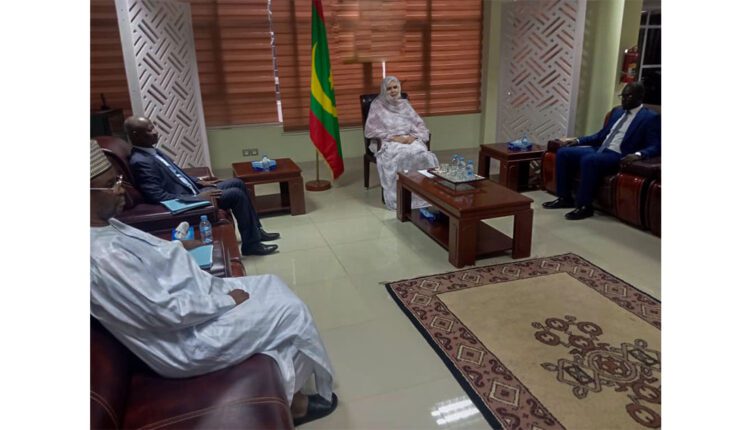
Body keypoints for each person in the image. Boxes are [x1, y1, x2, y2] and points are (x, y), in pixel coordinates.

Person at [89, 140, 338, 426]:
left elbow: (148, 258)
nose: (121, 188)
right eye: (111, 184)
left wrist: (178, 246)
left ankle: (288, 392)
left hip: (191, 307)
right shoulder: (100, 257)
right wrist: (226, 300)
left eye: (119, 180)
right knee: (290, 312)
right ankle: (297, 405)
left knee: (271, 284)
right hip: (184, 341)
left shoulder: (105, 224)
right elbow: (164, 311)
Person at [124, 116, 279, 256]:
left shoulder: (152, 151)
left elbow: (176, 174)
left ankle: (256, 232)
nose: (155, 132)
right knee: (235, 194)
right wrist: (196, 198)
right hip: (188, 200)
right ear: (135, 135)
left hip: (194, 190)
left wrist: (198, 181)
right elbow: (157, 195)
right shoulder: (140, 161)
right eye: (149, 130)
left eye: (153, 127)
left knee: (238, 182)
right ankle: (251, 245)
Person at [542, 81, 661, 220]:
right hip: (600, 149)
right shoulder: (617, 112)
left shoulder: (650, 117)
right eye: (622, 96)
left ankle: (584, 206)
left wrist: (638, 154)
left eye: (628, 96)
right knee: (563, 153)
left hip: (618, 154)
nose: (623, 100)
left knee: (589, 160)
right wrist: (578, 141)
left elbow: (656, 145)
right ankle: (564, 198)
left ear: (640, 96)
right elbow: (600, 136)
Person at [365, 76, 439, 210]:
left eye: (395, 87)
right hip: (388, 140)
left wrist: (413, 137)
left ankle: (425, 194)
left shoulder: (405, 105)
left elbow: (419, 125)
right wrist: (393, 138)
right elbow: (370, 131)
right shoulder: (377, 106)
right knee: (400, 155)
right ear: (384, 90)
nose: (393, 91)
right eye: (389, 88)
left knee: (423, 155)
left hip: (408, 138)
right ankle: (400, 197)